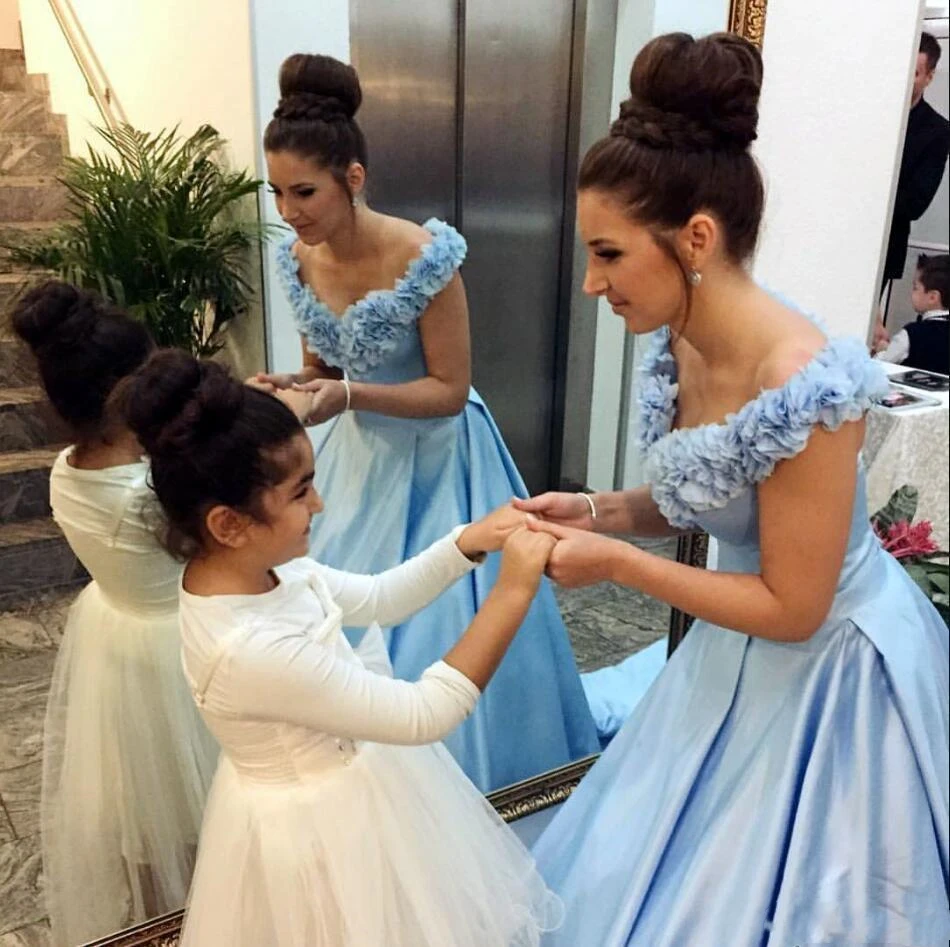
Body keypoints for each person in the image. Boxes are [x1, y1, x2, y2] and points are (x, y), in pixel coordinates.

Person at [515, 32, 950, 946]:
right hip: (739, 633)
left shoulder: (804, 383)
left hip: (832, 664)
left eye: (608, 255)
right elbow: (697, 493)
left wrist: (617, 567)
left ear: (696, 239)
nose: (591, 283)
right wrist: (599, 510)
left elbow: (795, 604)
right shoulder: (678, 338)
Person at [121, 348, 562, 946]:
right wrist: (513, 592)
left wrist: (468, 541)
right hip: (317, 838)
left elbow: (380, 597)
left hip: (357, 789)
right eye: (301, 492)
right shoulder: (249, 649)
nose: (319, 505)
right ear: (229, 524)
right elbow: (421, 713)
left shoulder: (263, 571)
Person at [251, 52, 599, 792]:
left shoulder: (425, 255)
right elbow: (325, 375)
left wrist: (346, 396)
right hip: (357, 458)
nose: (289, 211)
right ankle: (358, 781)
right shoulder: (298, 260)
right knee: (346, 614)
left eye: (304, 191)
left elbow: (449, 389)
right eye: (277, 191)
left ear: (353, 177)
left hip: (445, 457)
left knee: (438, 620)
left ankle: (472, 784)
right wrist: (292, 385)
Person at [11, 282, 218, 947]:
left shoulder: (64, 472)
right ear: (122, 393)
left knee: (144, 813)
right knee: (204, 807)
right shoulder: (148, 490)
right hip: (178, 650)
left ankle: (158, 925)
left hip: (115, 643)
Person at [881, 32, 950, 305]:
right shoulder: (868, 111)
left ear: (929, 77)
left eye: (916, 72)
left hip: (886, 243)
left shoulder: (938, 131)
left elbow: (916, 203)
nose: (906, 77)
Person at [876, 252, 949, 374]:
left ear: (932, 297)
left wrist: (881, 350)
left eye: (915, 288)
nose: (912, 293)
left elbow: (880, 365)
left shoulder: (912, 334)